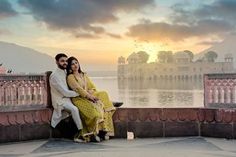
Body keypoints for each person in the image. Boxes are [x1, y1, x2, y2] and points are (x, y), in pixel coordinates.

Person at [66, 57, 116, 142]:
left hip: (89, 95)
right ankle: (93, 133)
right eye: (72, 64)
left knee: (104, 94)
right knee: (95, 114)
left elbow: (92, 87)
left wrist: (91, 92)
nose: (75, 65)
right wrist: (89, 96)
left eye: (76, 63)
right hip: (79, 98)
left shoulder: (83, 75)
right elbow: (78, 89)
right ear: (70, 67)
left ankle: (104, 130)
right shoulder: (70, 77)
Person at [49, 53, 83, 142]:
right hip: (60, 101)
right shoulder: (54, 76)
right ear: (57, 62)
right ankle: (80, 133)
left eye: (66, 61)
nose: (65, 63)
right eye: (62, 61)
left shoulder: (65, 72)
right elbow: (65, 92)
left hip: (67, 98)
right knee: (74, 109)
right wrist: (80, 93)